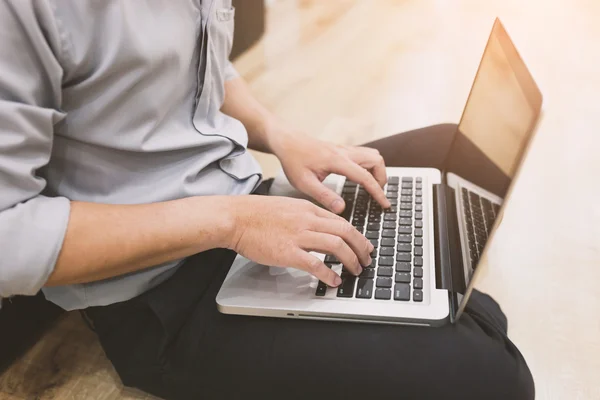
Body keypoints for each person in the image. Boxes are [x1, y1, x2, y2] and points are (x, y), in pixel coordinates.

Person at [0, 1, 534, 399]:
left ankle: (421, 303)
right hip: (157, 297)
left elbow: (202, 62)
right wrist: (230, 221)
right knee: (494, 377)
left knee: (452, 155)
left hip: (243, 202)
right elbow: (8, 237)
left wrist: (279, 134)